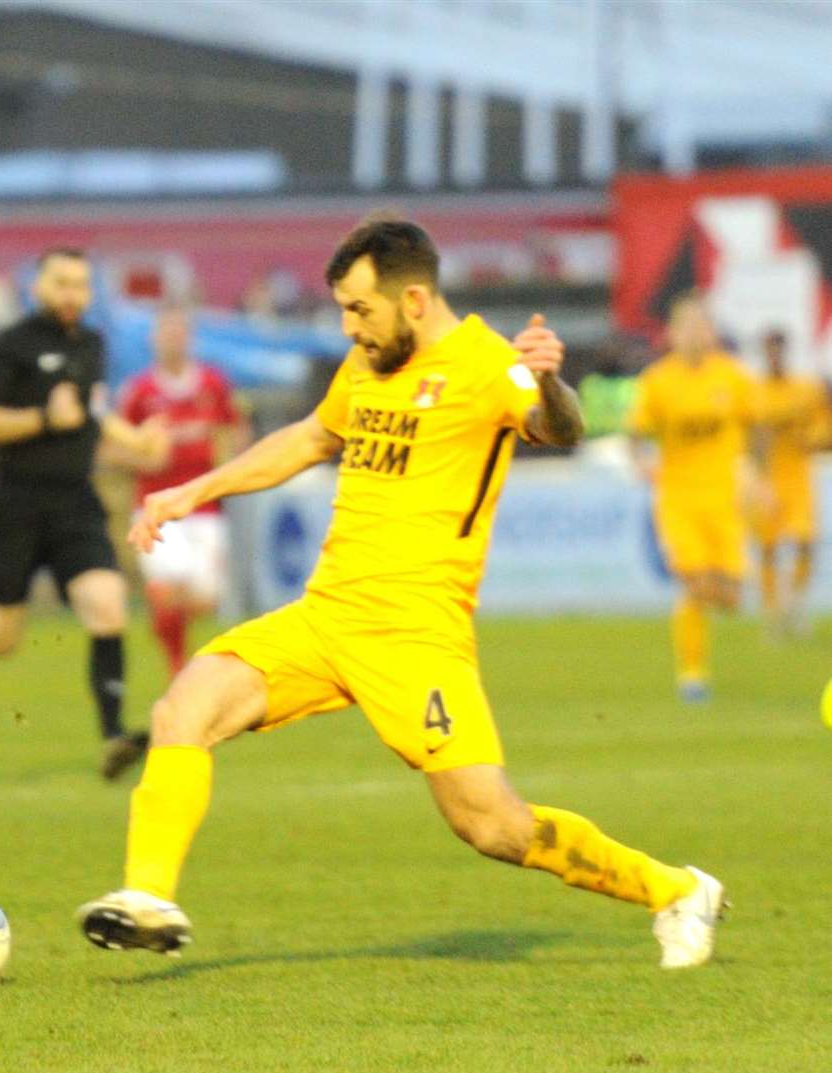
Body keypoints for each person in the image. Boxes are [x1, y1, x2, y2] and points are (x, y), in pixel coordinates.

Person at [76, 220, 725, 970]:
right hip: (325, 617)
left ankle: (676, 889)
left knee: (493, 827)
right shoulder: (367, 360)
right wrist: (195, 489)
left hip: (416, 637)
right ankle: (146, 899)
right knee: (181, 708)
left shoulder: (486, 364)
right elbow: (312, 438)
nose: (349, 326)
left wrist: (547, 378)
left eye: (359, 309)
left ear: (412, 298)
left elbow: (560, 427)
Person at [0, 248, 169, 780]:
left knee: (108, 606)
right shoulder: (11, 346)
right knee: (0, 641)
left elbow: (89, 417)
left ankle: (113, 736)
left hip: (75, 502)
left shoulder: (92, 345)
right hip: (15, 503)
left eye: (81, 284)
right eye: (61, 282)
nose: (72, 294)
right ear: (38, 285)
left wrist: (139, 441)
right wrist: (42, 416)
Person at [629, 294, 756, 701]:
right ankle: (692, 674)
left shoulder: (733, 377)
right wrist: (641, 462)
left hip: (725, 499)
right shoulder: (658, 381)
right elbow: (636, 432)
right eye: (687, 327)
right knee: (694, 583)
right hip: (679, 499)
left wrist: (758, 475)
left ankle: (700, 648)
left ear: (712, 332)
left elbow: (755, 428)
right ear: (672, 333)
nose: (696, 335)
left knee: (731, 595)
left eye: (702, 326)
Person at [115, 305, 246, 675]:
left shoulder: (212, 384)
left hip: (203, 505)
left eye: (179, 332)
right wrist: (144, 459)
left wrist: (228, 459)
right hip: (156, 505)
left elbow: (232, 431)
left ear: (189, 337)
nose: (173, 339)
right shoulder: (139, 392)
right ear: (154, 339)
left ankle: (167, 625)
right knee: (169, 584)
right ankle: (177, 667)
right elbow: (113, 448)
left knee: (207, 597)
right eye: (166, 332)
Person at [753, 329, 831, 637]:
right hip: (767, 480)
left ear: (786, 352)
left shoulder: (806, 390)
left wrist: (812, 439)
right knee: (769, 547)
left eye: (778, 350)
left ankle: (795, 605)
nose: (774, 357)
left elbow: (825, 428)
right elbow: (749, 437)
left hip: (798, 478)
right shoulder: (754, 392)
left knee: (804, 543)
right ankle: (773, 615)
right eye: (769, 351)